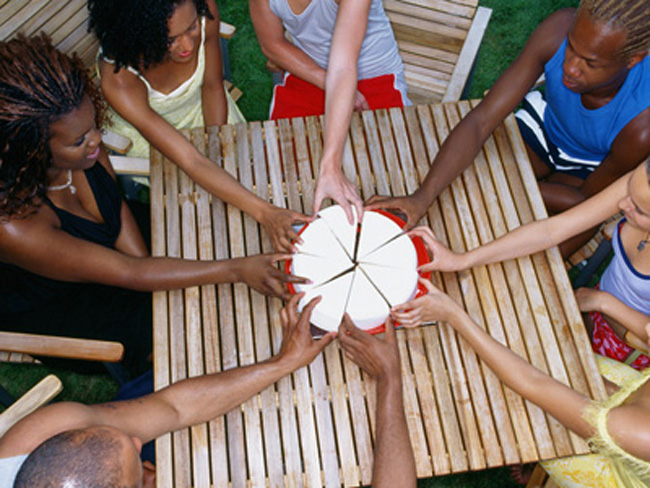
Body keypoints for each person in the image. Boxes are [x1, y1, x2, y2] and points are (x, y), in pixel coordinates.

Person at [0, 35, 302, 376]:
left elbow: (117, 211)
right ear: (30, 150)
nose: (96, 140)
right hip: (63, 301)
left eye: (93, 127)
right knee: (194, 339)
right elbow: (129, 274)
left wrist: (149, 268)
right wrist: (232, 270)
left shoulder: (85, 154)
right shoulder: (15, 225)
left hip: (119, 256)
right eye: (80, 139)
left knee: (205, 244)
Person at [0, 295, 417, 488]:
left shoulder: (40, 435)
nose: (137, 437)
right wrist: (390, 381)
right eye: (136, 473)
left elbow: (173, 408)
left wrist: (282, 363)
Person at [368, 0, 650, 256]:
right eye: (572, 47)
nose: (571, 68)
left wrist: (510, 184)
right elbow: (481, 121)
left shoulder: (641, 125)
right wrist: (421, 197)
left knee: (537, 241)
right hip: (544, 123)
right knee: (466, 195)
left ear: (633, 60)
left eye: (590, 63)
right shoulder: (557, 29)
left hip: (589, 166)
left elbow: (588, 203)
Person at [90, 0, 309, 252]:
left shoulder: (203, 9)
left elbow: (213, 86)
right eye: (169, 40)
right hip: (151, 137)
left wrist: (216, 146)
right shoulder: (120, 79)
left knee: (234, 175)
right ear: (140, 35)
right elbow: (191, 161)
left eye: (192, 27)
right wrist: (266, 213)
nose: (188, 45)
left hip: (203, 107)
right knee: (203, 205)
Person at [392, 159, 650, 371]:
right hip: (589, 308)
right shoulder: (641, 184)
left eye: (638, 209)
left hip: (629, 347)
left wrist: (603, 302)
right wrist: (463, 259)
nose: (622, 204)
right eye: (629, 189)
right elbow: (553, 230)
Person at [391, 279, 650, 487]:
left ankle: (539, 470)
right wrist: (602, 301)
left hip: (622, 459)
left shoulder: (637, 432)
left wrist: (455, 316)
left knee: (519, 410)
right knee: (552, 357)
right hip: (632, 399)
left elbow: (532, 383)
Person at [250, 0, 411, 223]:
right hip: (310, 73)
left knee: (392, 171)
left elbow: (344, 67)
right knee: (284, 169)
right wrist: (324, 79)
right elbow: (272, 45)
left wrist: (331, 166)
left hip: (374, 74)